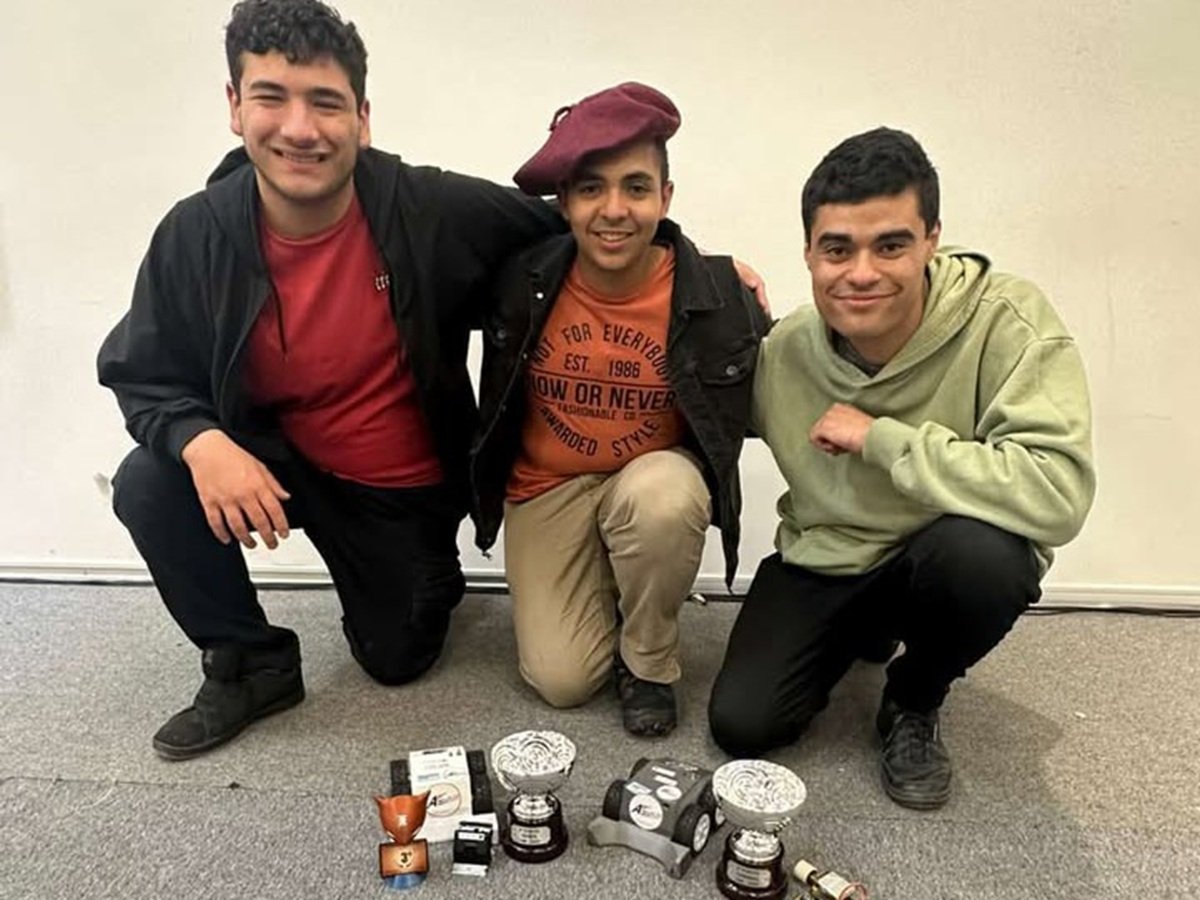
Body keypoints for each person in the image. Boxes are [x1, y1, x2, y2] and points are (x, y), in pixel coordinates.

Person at [96, 0, 565, 760]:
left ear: (362, 118)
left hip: (395, 488)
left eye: (325, 102)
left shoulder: (428, 207)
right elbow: (141, 371)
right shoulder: (195, 232)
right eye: (271, 97)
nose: (300, 128)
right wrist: (201, 442)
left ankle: (426, 573)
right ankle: (253, 663)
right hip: (274, 457)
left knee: (397, 660)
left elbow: (581, 228)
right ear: (234, 107)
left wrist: (697, 269)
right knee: (149, 481)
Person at [708, 127, 1095, 807]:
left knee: (986, 560)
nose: (861, 273)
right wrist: (700, 276)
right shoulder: (786, 349)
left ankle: (915, 697)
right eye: (837, 249)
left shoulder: (1006, 321)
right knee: (744, 724)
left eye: (890, 245)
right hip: (829, 554)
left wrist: (882, 440)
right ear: (808, 253)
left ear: (931, 239)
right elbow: (696, 403)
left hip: (937, 552)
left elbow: (1057, 494)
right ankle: (868, 626)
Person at [470, 83, 770, 736]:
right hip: (545, 487)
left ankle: (649, 662)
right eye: (591, 189)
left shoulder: (718, 296)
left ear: (665, 197)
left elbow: (784, 393)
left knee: (663, 500)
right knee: (562, 682)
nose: (614, 210)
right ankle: (606, 582)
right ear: (564, 203)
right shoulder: (519, 279)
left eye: (636, 188)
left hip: (647, 480)